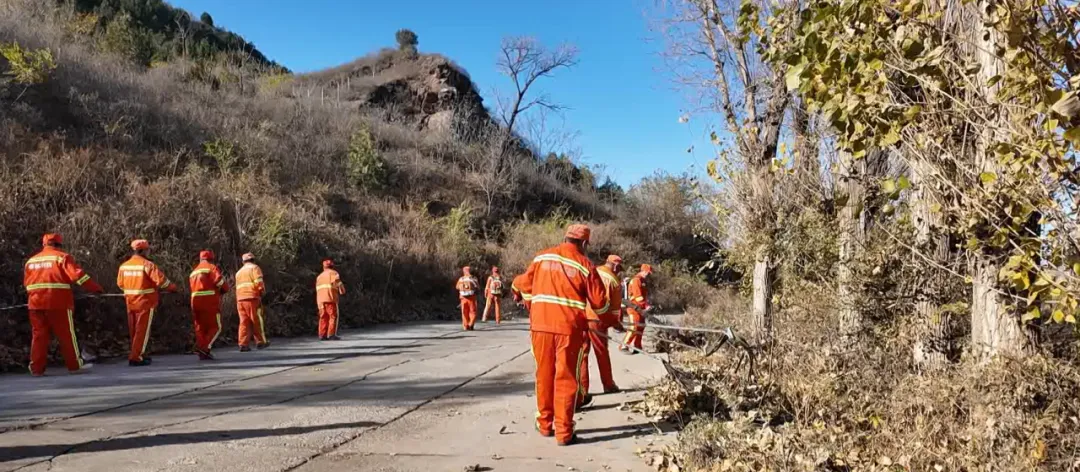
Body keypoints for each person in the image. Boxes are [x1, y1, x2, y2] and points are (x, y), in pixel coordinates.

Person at [514, 224, 609, 446]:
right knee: (566, 378)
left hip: (541, 327)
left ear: (565, 238)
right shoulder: (586, 265)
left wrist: (528, 301)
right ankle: (564, 432)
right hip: (569, 330)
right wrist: (608, 320)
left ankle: (545, 424)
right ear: (584, 243)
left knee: (544, 374)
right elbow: (600, 304)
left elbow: (521, 285)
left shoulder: (542, 257)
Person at [23, 233, 103, 376]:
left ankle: (36, 369)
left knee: (38, 336)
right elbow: (77, 275)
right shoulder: (62, 257)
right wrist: (95, 288)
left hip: (35, 303)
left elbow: (26, 283)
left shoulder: (31, 261)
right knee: (66, 335)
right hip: (58, 303)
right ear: (59, 244)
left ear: (44, 244)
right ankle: (74, 366)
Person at [118, 239, 177, 366]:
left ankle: (138, 353)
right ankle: (136, 357)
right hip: (145, 302)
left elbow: (120, 284)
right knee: (142, 331)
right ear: (143, 251)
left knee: (134, 331)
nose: (149, 252)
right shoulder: (147, 265)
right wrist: (173, 288)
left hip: (130, 302)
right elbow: (162, 281)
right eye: (147, 250)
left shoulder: (124, 266)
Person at [579, 254, 627, 404]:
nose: (619, 271)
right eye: (619, 268)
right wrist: (616, 323)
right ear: (615, 266)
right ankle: (608, 384)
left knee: (583, 353)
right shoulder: (614, 281)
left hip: (583, 316)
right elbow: (614, 309)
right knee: (602, 352)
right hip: (598, 319)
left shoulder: (593, 271)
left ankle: (583, 389)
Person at [189, 250, 229, 360]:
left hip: (195, 303)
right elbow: (219, 281)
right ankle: (204, 348)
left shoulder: (193, 272)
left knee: (200, 328)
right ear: (211, 259)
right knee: (216, 327)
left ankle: (203, 351)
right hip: (209, 302)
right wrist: (225, 289)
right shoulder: (211, 268)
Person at [235, 252, 269, 351]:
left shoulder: (239, 272)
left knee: (243, 322)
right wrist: (262, 292)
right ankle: (261, 342)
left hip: (240, 300)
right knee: (256, 320)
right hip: (252, 298)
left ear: (243, 262)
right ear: (253, 260)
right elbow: (259, 282)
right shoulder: (255, 268)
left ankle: (243, 344)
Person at [621, 264, 653, 354]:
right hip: (633, 308)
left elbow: (643, 296)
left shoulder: (642, 281)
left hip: (640, 309)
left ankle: (637, 346)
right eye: (647, 273)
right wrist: (646, 305)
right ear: (643, 271)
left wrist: (646, 305)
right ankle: (624, 346)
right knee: (634, 327)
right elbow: (638, 297)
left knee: (641, 327)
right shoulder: (636, 280)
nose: (648, 275)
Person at [316, 259, 346, 341]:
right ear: (332, 266)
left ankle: (322, 335)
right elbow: (338, 282)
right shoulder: (333, 273)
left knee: (323, 317)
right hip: (330, 298)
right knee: (332, 316)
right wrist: (342, 291)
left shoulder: (319, 277)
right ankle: (331, 334)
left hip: (320, 300)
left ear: (324, 267)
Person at [456, 266, 479, 331]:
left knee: (464, 312)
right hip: (472, 298)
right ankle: (471, 324)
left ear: (464, 271)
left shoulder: (461, 279)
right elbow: (478, 287)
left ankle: (465, 326)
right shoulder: (474, 278)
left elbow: (457, 287)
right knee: (473, 312)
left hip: (463, 298)